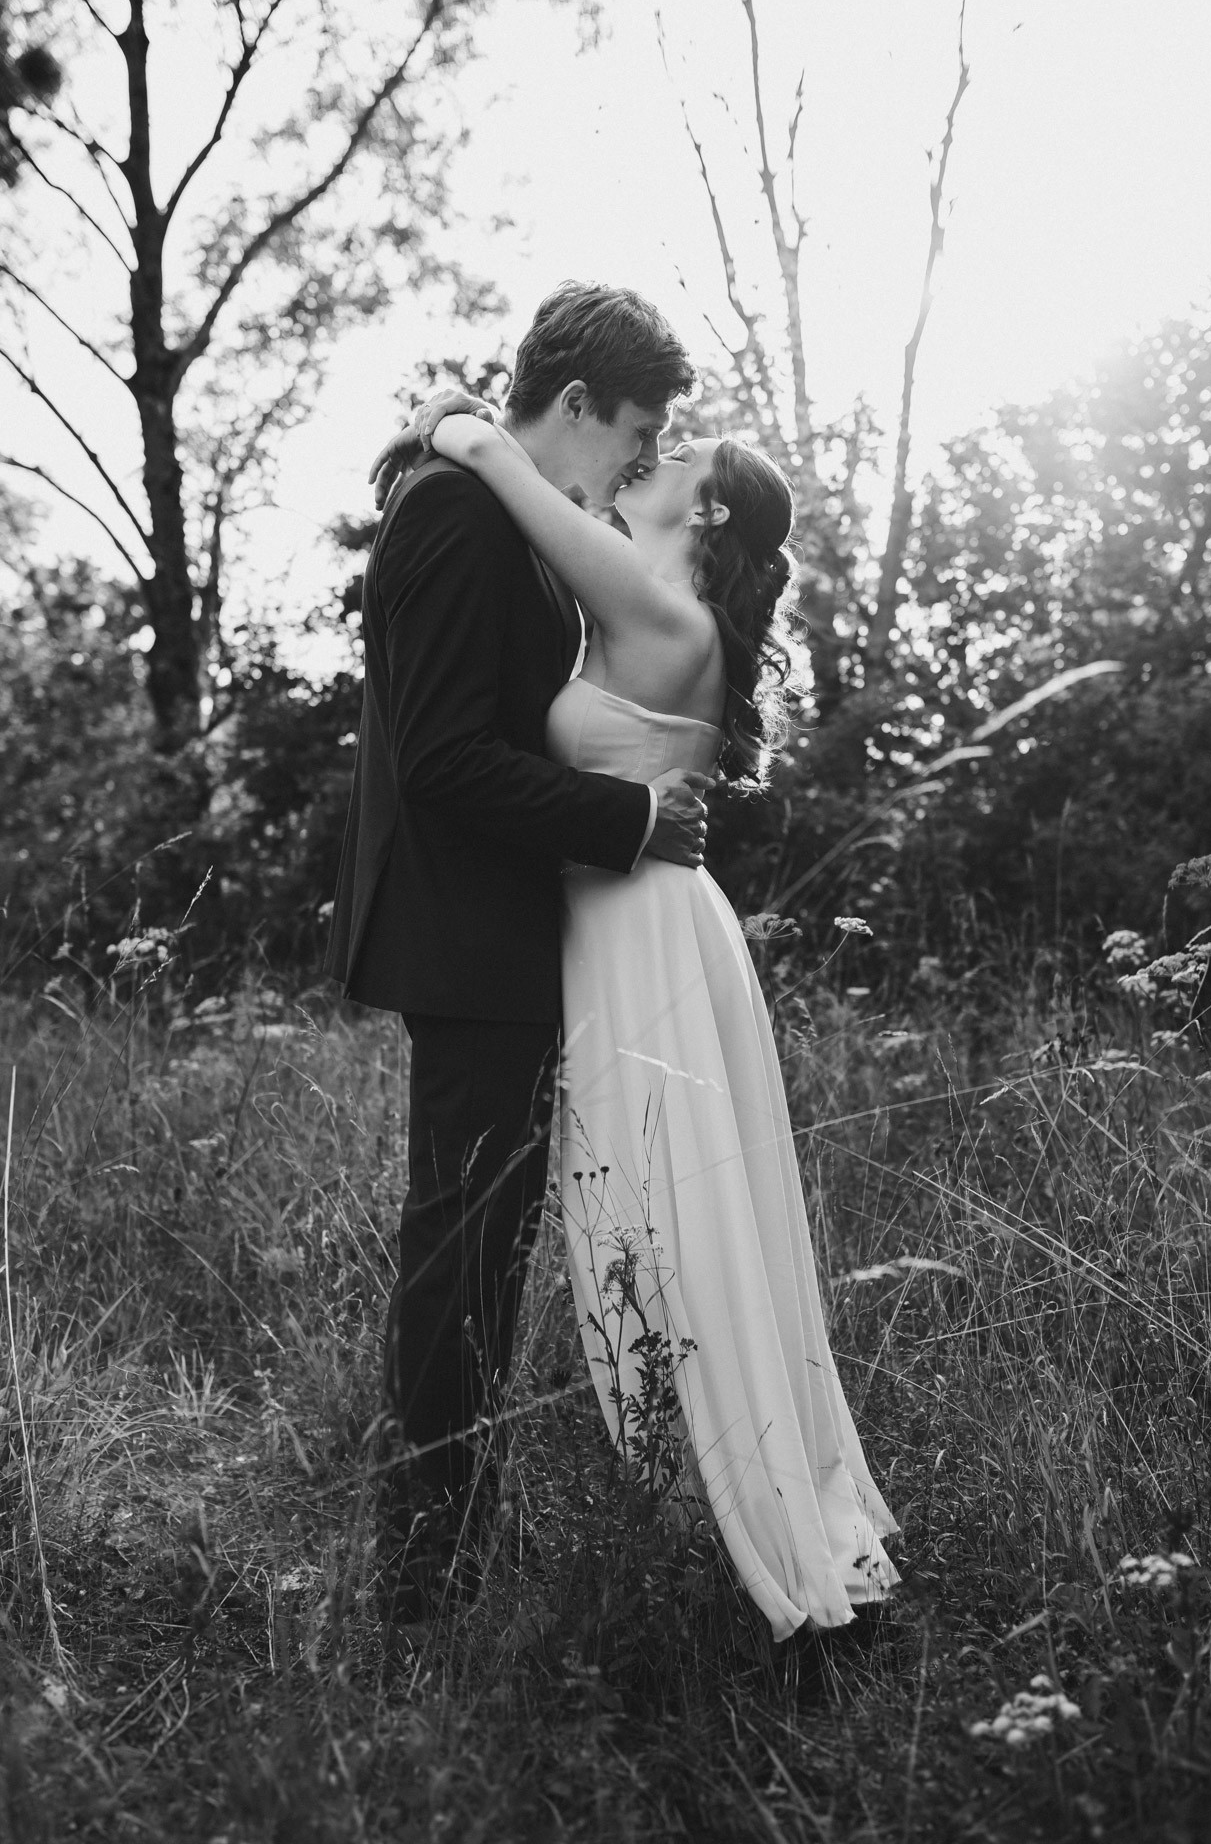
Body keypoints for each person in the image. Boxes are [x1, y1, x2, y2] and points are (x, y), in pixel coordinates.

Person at [374, 400, 900, 1642]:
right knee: (651, 1217)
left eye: (679, 456)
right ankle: (718, 1488)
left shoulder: (659, 614)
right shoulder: (646, 610)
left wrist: (455, 425)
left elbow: (507, 469)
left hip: (641, 936)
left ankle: (750, 1516)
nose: (653, 458)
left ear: (706, 512)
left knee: (676, 1219)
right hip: (623, 923)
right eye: (651, 435)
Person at [324, 284, 709, 1631]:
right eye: (636, 431)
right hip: (465, 941)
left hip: (508, 937)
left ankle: (444, 1557)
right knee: (461, 1255)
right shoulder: (454, 511)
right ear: (579, 403)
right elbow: (438, 760)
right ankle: (420, 1594)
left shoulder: (515, 518)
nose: (641, 461)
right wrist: (628, 819)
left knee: (483, 1250)